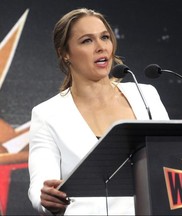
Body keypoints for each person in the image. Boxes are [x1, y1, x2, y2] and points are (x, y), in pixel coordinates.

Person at [28, 8, 169, 215]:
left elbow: (170, 161)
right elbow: (40, 186)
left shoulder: (146, 96)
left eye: (105, 37)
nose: (101, 47)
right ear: (64, 53)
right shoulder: (47, 114)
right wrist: (45, 198)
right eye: (87, 41)